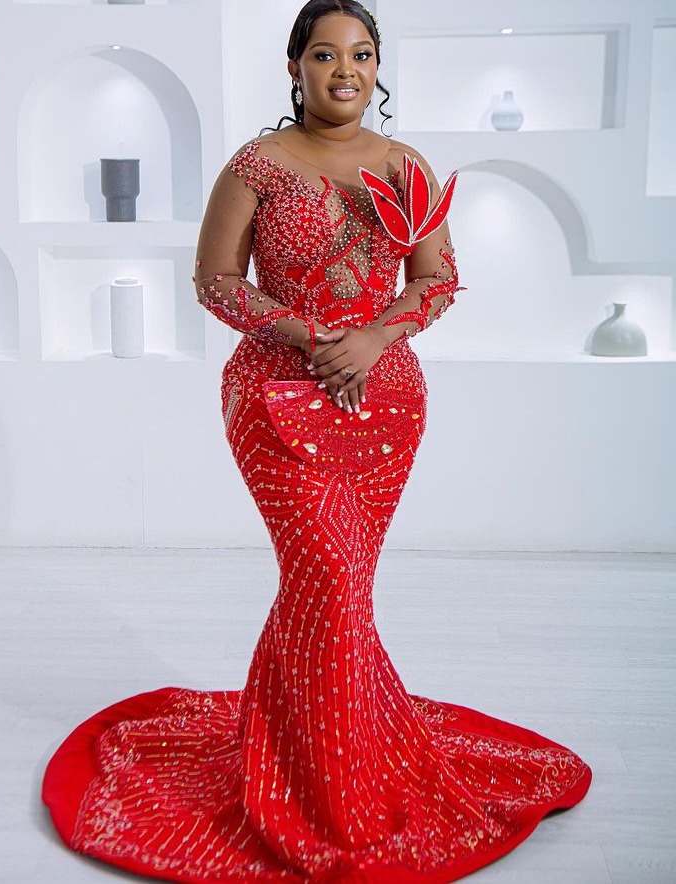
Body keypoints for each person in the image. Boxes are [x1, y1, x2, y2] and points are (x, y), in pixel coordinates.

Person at [41, 2, 592, 881]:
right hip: (273, 394)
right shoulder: (256, 165)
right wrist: (306, 334)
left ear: (377, 67)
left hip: (386, 400)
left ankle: (328, 755)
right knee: (326, 581)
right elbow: (215, 281)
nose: (346, 70)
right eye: (326, 54)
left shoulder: (405, 167)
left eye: (362, 54)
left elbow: (437, 278)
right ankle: (318, 786)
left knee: (340, 591)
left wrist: (372, 338)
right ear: (293, 65)